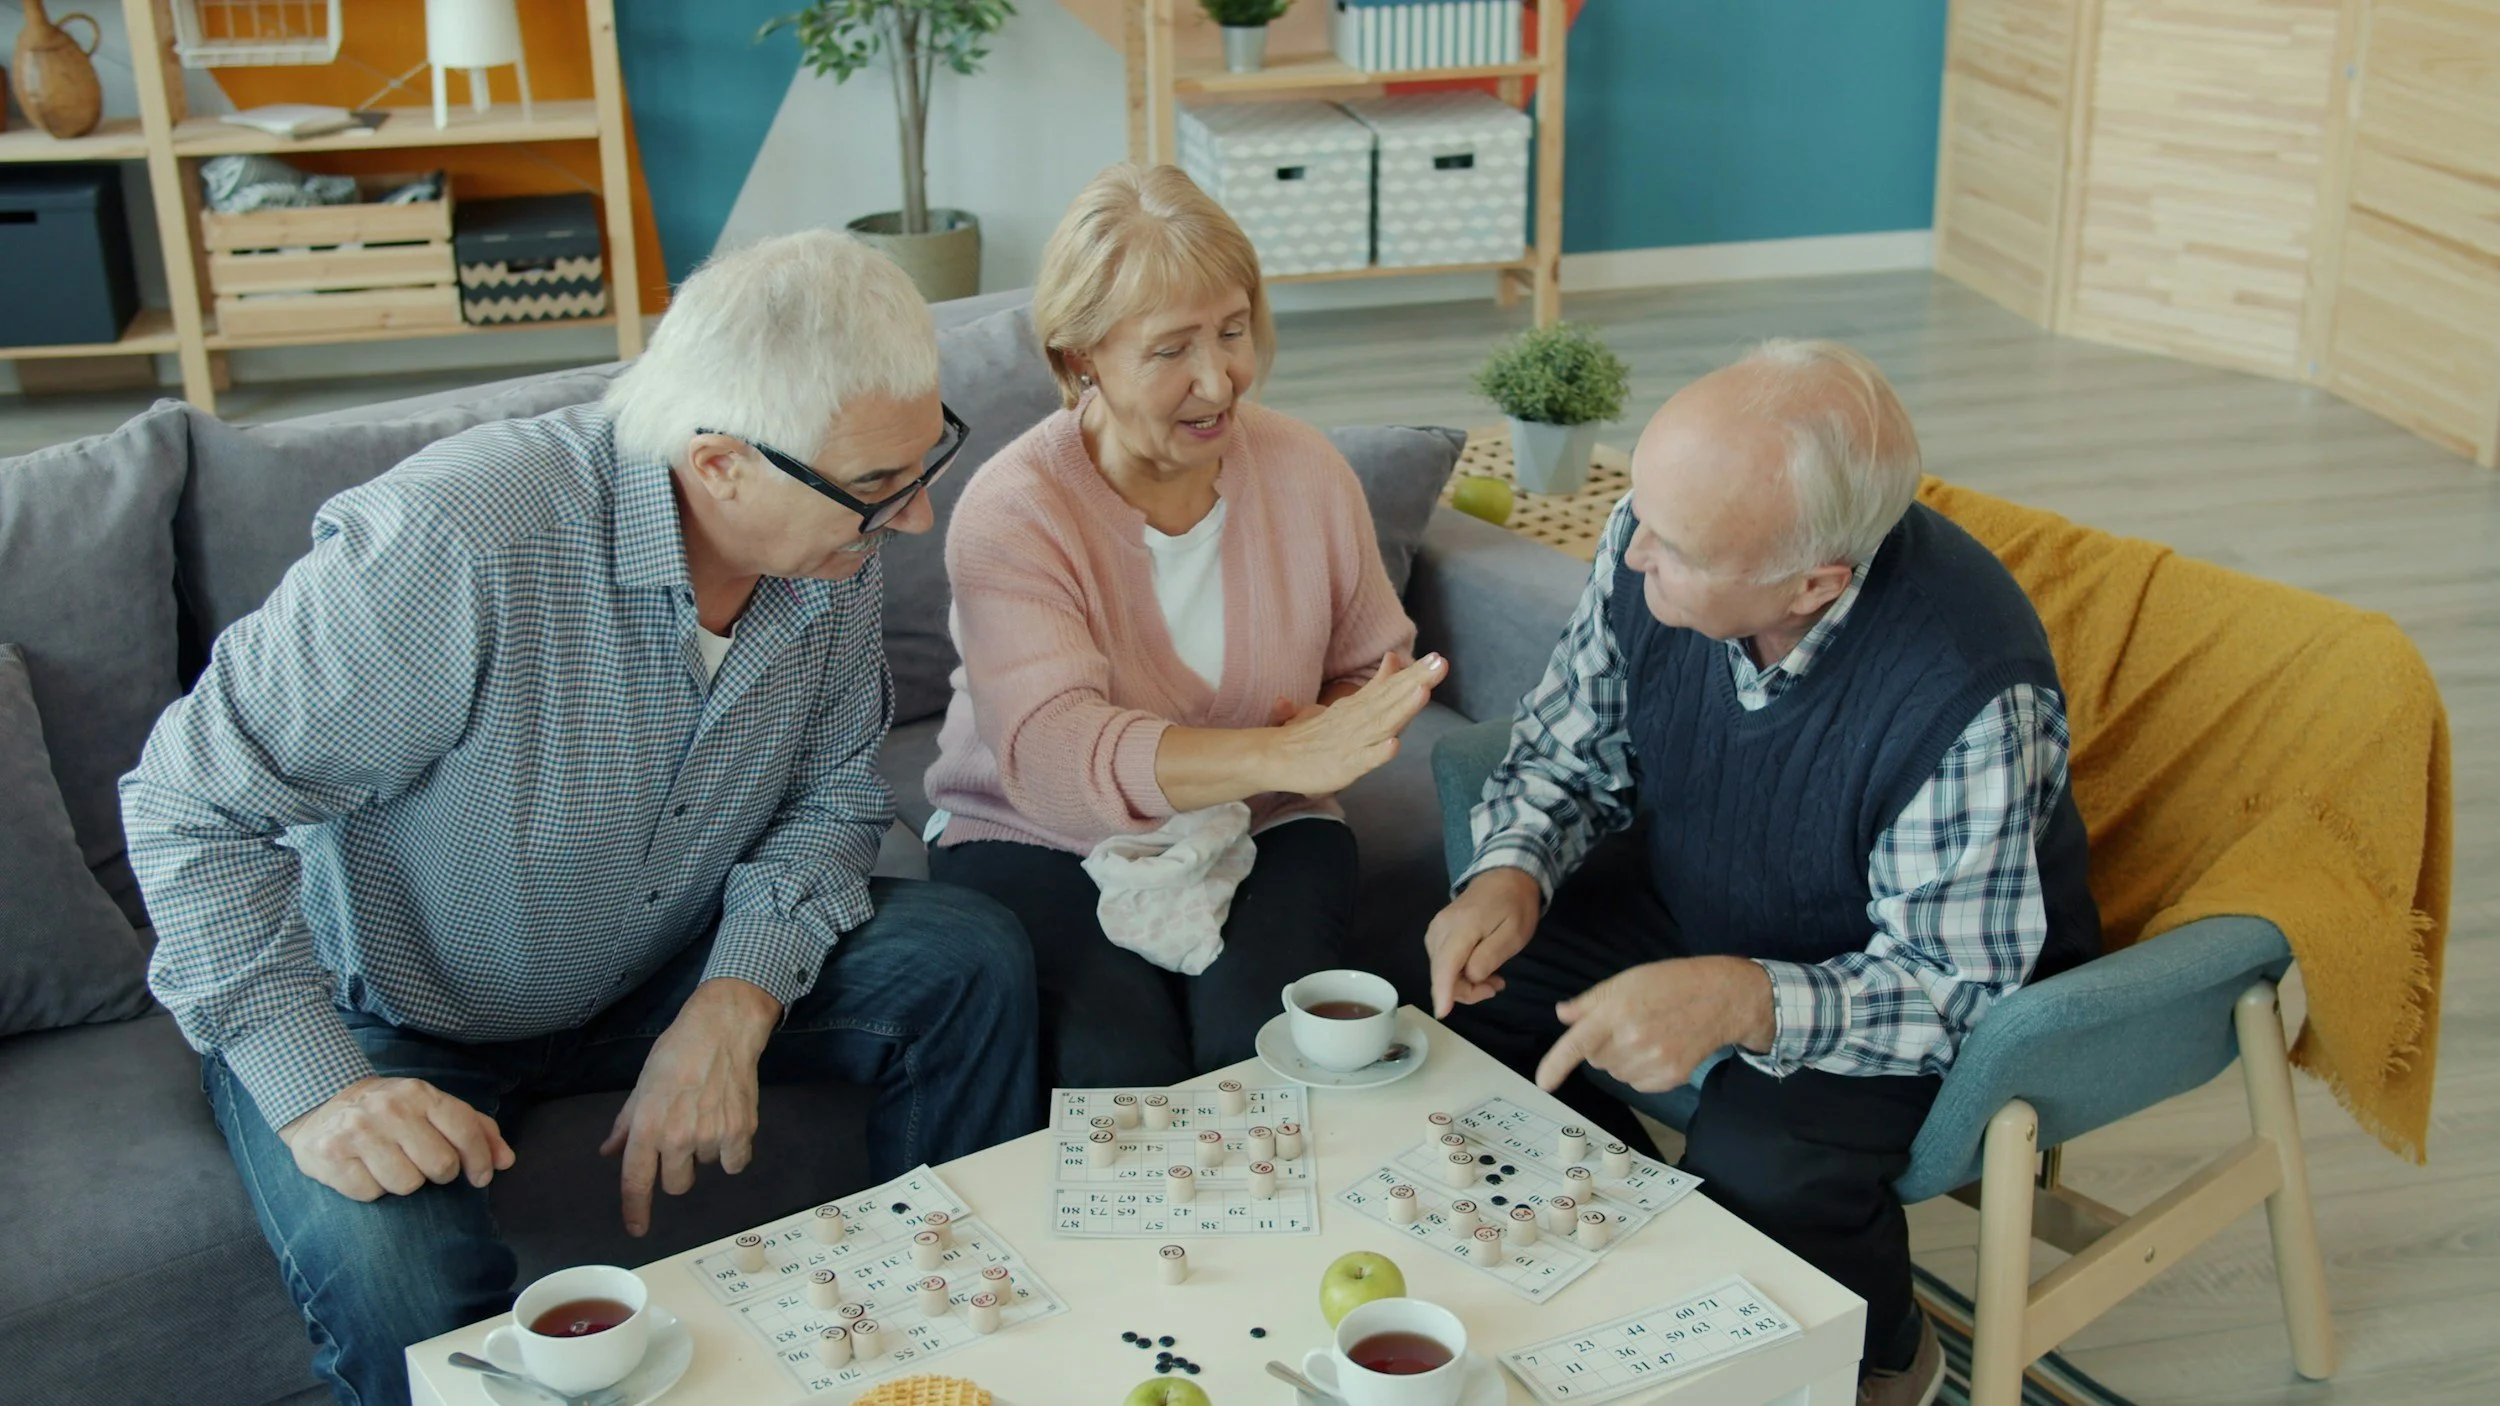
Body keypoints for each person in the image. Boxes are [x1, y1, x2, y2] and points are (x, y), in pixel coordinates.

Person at [121, 230, 1040, 1406]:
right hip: (396, 1010)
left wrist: (733, 997)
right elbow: (189, 804)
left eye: (922, 465)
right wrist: (320, 1093)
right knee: (395, 1279)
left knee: (967, 957)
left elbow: (831, 795)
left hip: (657, 961)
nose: (913, 523)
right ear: (719, 464)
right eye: (878, 488)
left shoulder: (830, 548)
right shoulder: (457, 544)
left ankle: (944, 1350)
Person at [1426, 340, 2100, 1406]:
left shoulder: (1968, 694)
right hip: (1712, 893)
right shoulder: (1653, 535)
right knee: (1477, 996)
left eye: (1677, 545)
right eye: (1640, 512)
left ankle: (1885, 1348)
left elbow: (1954, 989)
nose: (1633, 550)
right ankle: (1618, 1250)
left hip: (1901, 983)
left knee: (1764, 1160)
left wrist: (1743, 997)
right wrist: (1508, 870)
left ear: (1811, 581)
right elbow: (1570, 743)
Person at [924, 163, 1444, 1088]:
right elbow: (1052, 754)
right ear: (1080, 357)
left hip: (1271, 824)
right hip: (1037, 833)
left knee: (1261, 1060)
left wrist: (1355, 716)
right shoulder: (1014, 511)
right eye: (1171, 350)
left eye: (1234, 331)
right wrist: (1277, 754)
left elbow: (1371, 663)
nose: (1219, 378)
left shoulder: (1306, 470)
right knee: (1118, 1075)